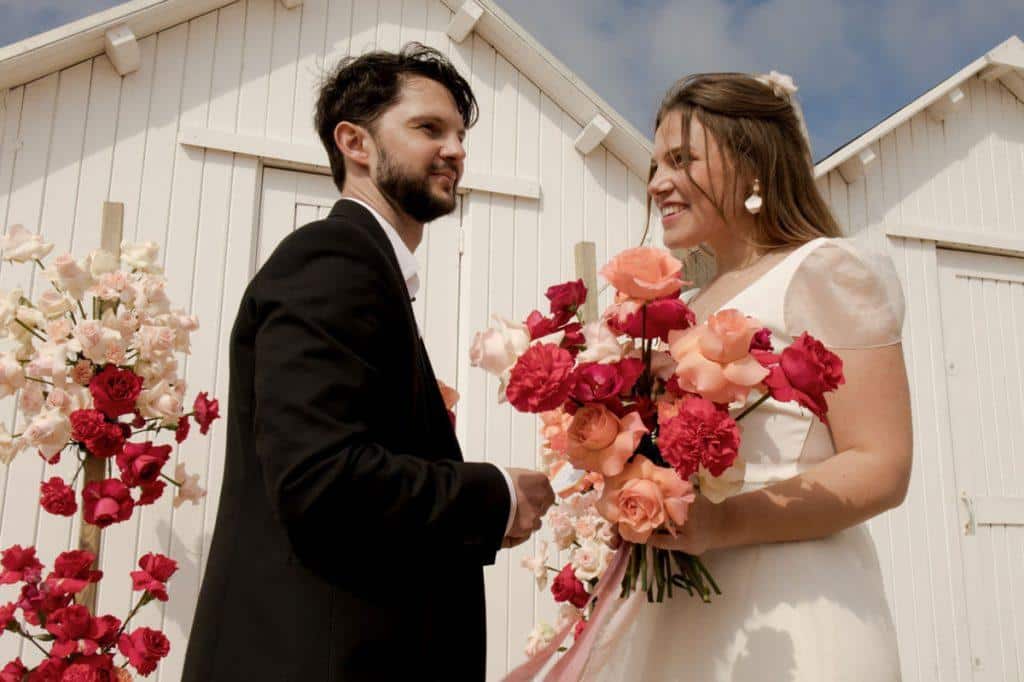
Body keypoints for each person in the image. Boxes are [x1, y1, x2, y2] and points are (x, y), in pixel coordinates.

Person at [181, 44, 554, 682]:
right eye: (428, 128)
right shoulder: (333, 259)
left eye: (460, 135)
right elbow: (322, 481)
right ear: (355, 142)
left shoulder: (365, 270)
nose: (457, 151)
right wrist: (495, 496)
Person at [585, 72, 912, 681]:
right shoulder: (690, 301)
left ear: (752, 163)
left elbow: (882, 465)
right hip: (683, 611)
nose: (657, 184)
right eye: (655, 165)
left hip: (790, 608)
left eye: (681, 160)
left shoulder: (826, 269)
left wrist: (725, 523)